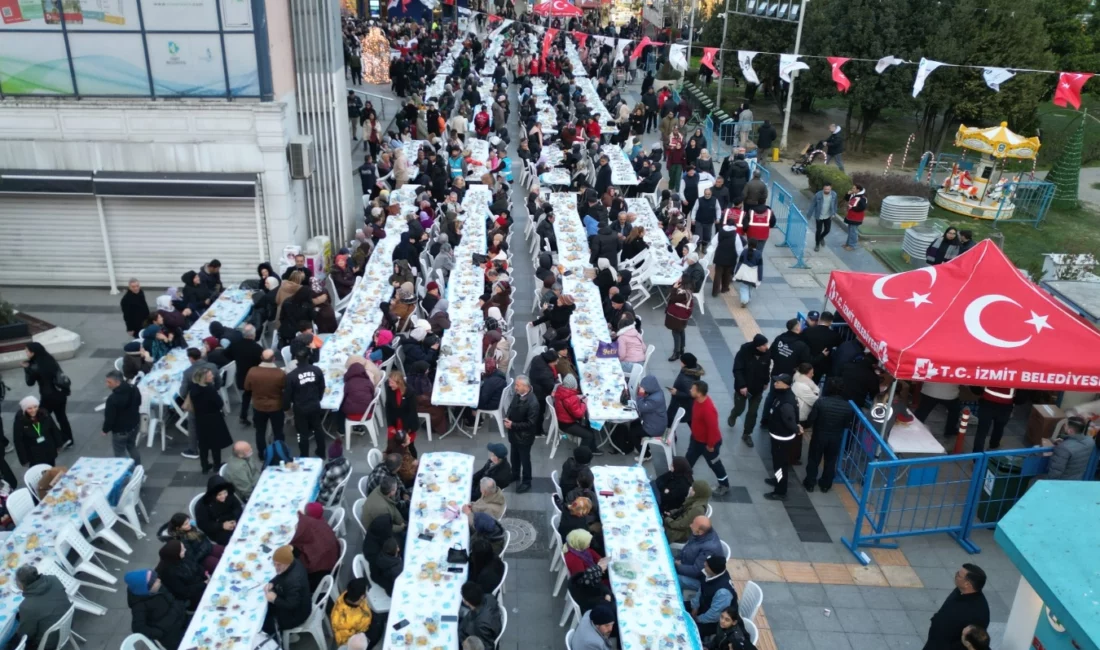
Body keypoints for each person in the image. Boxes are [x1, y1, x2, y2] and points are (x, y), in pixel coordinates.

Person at [923, 564, 990, 650]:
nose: (956, 574)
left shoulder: (979, 613)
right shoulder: (960, 590)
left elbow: (971, 643)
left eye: (959, 575)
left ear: (967, 584)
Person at [802, 379, 851, 493]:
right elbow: (846, 424)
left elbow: (811, 419)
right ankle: (826, 484)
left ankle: (810, 482)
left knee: (814, 459)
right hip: (835, 437)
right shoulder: (847, 406)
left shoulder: (821, 402)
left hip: (819, 435)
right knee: (830, 460)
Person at [22, 342, 72, 449]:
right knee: (62, 417)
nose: (26, 353)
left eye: (27, 351)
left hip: (48, 396)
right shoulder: (49, 359)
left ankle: (61, 439)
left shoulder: (35, 366)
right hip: (60, 393)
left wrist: (26, 369)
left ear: (33, 352)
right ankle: (69, 439)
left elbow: (29, 383)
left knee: (40, 417)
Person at [125, 569, 189, 650]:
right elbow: (138, 628)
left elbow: (172, 598)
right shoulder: (139, 606)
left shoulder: (159, 587)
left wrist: (180, 606)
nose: (159, 580)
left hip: (183, 619)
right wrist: (159, 632)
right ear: (147, 589)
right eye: (155, 581)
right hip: (172, 637)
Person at [685, 381, 730, 495]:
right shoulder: (697, 401)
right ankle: (685, 481)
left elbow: (713, 429)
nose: (690, 390)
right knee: (688, 461)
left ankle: (724, 484)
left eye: (693, 389)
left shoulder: (708, 409)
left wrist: (711, 445)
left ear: (699, 393)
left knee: (714, 464)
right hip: (696, 440)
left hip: (708, 444)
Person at [12, 565, 69, 650]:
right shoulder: (53, 579)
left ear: (22, 585)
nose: (16, 582)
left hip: (49, 644)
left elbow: (25, 635)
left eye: (16, 581)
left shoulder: (27, 606)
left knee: (13, 641)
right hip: (67, 625)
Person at [189, 368, 232, 474]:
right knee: (215, 443)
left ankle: (204, 465)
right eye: (209, 375)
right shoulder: (210, 390)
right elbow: (219, 403)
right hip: (213, 418)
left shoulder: (194, 388)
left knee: (203, 443)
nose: (212, 376)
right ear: (204, 379)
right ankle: (217, 464)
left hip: (200, 419)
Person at [764, 375, 800, 501]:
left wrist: (796, 428)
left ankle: (780, 490)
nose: (775, 384)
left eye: (778, 382)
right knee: (778, 463)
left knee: (779, 465)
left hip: (781, 438)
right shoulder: (783, 395)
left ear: (786, 385)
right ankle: (777, 480)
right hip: (778, 436)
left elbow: (789, 420)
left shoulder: (786, 402)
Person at [285, 349, 326, 458]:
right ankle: (322, 452)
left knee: (301, 434)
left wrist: (286, 407)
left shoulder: (291, 376)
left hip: (300, 408)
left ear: (296, 359)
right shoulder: (317, 370)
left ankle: (304, 455)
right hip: (314, 405)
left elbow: (288, 394)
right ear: (308, 357)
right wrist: (319, 398)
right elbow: (322, 386)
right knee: (318, 428)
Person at [729, 334, 769, 448]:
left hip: (757, 389)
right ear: (757, 346)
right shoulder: (743, 353)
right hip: (743, 388)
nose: (766, 347)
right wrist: (742, 386)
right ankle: (734, 415)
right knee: (740, 408)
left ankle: (747, 434)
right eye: (764, 345)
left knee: (753, 413)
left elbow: (766, 368)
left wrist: (766, 381)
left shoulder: (766, 353)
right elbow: (737, 370)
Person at [244, 349, 286, 456]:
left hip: (258, 406)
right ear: (274, 359)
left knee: (260, 431)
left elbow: (247, 387)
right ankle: (279, 452)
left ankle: (262, 454)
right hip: (276, 406)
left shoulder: (252, 371)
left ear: (261, 358)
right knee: (278, 432)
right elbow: (285, 388)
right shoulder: (280, 373)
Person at [263, 545, 312, 635]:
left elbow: (292, 604)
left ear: (287, 563)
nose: (276, 567)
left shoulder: (294, 581)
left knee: (265, 625)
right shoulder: (293, 562)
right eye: (274, 563)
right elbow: (281, 575)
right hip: (297, 601)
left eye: (279, 565)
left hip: (297, 614)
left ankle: (280, 640)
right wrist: (273, 583)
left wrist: (275, 599)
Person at [291, 503, 340, 590]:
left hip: (318, 578)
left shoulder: (314, 547)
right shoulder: (320, 526)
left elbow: (306, 565)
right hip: (330, 563)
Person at [563, 529, 613, 613]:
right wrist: (598, 570)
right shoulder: (575, 560)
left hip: (594, 574)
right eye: (588, 543)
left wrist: (601, 561)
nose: (589, 544)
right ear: (581, 543)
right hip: (589, 589)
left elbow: (592, 553)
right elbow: (584, 580)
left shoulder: (578, 548)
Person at [505, 375, 540, 493]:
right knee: (514, 457)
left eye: (517, 385)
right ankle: (514, 474)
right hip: (514, 434)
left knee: (525, 460)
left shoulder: (533, 403)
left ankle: (526, 481)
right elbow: (511, 406)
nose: (515, 387)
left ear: (526, 387)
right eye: (515, 384)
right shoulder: (518, 394)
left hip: (524, 437)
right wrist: (507, 417)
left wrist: (513, 425)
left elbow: (530, 423)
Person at [689, 555, 738, 637]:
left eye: (707, 565)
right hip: (704, 605)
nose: (704, 564)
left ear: (713, 569)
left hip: (715, 621)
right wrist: (695, 607)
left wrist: (696, 619)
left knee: (689, 631)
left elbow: (714, 615)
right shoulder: (711, 573)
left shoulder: (723, 593)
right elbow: (701, 589)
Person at [554, 375, 601, 455]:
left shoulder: (560, 391)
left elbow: (569, 402)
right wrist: (583, 403)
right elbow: (579, 414)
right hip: (567, 424)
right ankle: (581, 455)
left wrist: (577, 398)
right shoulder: (571, 399)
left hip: (562, 419)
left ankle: (592, 448)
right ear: (574, 386)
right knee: (588, 435)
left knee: (588, 424)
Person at [674, 516, 723, 592]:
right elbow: (689, 546)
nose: (690, 525)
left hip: (699, 580)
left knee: (673, 579)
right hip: (686, 563)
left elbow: (696, 571)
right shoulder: (702, 533)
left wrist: (678, 566)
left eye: (693, 525)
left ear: (700, 532)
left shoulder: (709, 549)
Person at [155, 539, 206, 609]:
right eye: (182, 549)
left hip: (199, 583)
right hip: (192, 595)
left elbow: (196, 565)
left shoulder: (182, 556)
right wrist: (203, 584)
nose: (185, 549)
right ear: (175, 553)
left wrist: (205, 574)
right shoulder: (168, 573)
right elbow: (183, 592)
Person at [12, 396, 60, 470]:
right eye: (29, 408)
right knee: (39, 472)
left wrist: (58, 444)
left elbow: (54, 429)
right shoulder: (20, 420)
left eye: (35, 407)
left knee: (51, 469)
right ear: (25, 409)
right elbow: (18, 441)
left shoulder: (45, 414)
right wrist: (24, 460)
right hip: (33, 454)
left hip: (48, 449)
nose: (33, 410)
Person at [194, 475, 242, 546]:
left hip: (232, 520)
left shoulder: (229, 495)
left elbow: (237, 507)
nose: (223, 497)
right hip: (217, 530)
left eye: (225, 493)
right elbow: (203, 525)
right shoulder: (202, 506)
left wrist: (235, 519)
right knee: (234, 542)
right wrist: (222, 526)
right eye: (219, 495)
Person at [232, 325, 264, 426]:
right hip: (255, 377)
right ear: (253, 335)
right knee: (256, 398)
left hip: (242, 377)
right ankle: (256, 419)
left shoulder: (236, 345)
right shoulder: (257, 348)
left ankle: (243, 415)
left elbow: (226, 354)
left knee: (246, 396)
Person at [628, 375, 667, 456]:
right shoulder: (658, 392)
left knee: (633, 432)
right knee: (634, 423)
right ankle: (641, 446)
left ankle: (646, 455)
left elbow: (641, 408)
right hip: (655, 423)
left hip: (654, 429)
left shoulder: (655, 399)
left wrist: (640, 395)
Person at [458, 582, 503, 649]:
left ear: (466, 602)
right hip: (489, 623)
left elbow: (487, 646)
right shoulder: (489, 597)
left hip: (468, 639)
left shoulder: (478, 626)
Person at [331, 578, 373, 648]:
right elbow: (351, 641)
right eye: (365, 593)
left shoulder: (347, 595)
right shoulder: (348, 621)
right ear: (362, 597)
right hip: (353, 641)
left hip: (359, 625)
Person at [668, 353, 706, 427]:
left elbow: (691, 394)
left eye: (682, 361)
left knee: (670, 418)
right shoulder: (693, 370)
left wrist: (677, 393)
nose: (680, 362)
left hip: (681, 403)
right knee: (690, 420)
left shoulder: (686, 379)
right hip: (687, 404)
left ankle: (669, 435)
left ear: (686, 363)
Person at [664, 281, 694, 362]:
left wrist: (674, 288)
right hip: (682, 316)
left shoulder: (683, 293)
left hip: (677, 316)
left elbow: (673, 298)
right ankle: (681, 348)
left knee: (676, 332)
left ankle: (676, 352)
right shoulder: (688, 290)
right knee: (681, 330)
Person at [318, 440, 352, 504]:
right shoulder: (347, 461)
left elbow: (322, 488)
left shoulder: (331, 472)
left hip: (329, 498)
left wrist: (320, 480)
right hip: (339, 492)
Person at [711, 222, 740, 296]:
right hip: (731, 257)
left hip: (719, 256)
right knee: (727, 273)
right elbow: (739, 248)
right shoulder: (735, 235)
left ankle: (715, 291)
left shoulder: (720, 233)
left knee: (718, 274)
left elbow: (713, 242)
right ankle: (724, 288)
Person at [806, 183, 838, 252]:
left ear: (831, 188)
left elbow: (835, 204)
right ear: (823, 188)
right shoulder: (818, 195)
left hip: (828, 216)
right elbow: (813, 204)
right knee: (818, 230)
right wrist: (809, 214)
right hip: (819, 216)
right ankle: (817, 244)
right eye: (825, 189)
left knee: (827, 230)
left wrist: (834, 213)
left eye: (828, 189)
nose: (827, 190)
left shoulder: (834, 194)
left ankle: (821, 237)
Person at [843, 184, 866, 251]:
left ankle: (852, 245)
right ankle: (848, 244)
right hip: (851, 216)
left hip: (856, 217)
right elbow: (847, 199)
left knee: (853, 231)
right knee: (850, 230)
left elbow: (862, 207)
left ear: (858, 190)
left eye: (853, 188)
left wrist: (853, 208)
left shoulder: (862, 198)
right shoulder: (853, 195)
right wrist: (848, 194)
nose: (852, 189)